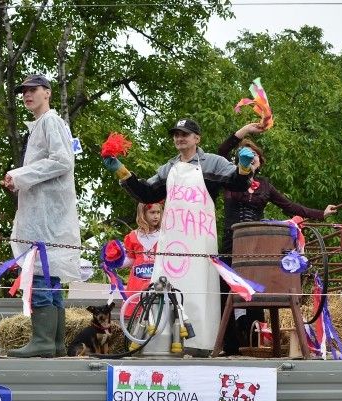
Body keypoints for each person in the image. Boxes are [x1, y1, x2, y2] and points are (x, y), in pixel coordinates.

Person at [104, 118, 254, 355]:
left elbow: (237, 184)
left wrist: (244, 168)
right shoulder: (168, 168)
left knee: (200, 291)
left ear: (197, 138)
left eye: (185, 134)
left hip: (200, 242)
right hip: (171, 244)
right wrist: (122, 171)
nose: (179, 138)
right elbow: (147, 193)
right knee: (165, 290)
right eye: (176, 134)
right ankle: (160, 342)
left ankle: (201, 344)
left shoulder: (212, 162)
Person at [216, 122, 335, 354]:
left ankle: (255, 343)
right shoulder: (229, 178)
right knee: (226, 290)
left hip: (257, 243)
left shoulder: (266, 186)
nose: (251, 158)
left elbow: (290, 206)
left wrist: (321, 213)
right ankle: (229, 346)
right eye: (246, 154)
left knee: (256, 289)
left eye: (255, 156)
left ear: (260, 162)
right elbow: (221, 152)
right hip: (232, 242)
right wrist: (245, 131)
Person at [3, 74, 82, 358]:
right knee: (50, 277)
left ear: (47, 92)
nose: (27, 95)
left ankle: (43, 340)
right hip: (46, 214)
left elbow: (62, 161)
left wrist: (19, 175)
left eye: (33, 89)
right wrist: (19, 179)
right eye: (23, 91)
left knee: (40, 272)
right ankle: (56, 342)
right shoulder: (41, 125)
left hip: (47, 217)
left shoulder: (50, 121)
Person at [118, 201, 164, 321]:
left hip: (158, 282)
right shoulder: (133, 236)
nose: (156, 216)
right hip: (138, 282)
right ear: (143, 214)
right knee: (137, 321)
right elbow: (131, 259)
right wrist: (115, 262)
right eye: (152, 212)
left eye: (158, 212)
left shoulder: (165, 235)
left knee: (159, 318)